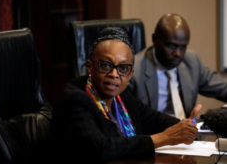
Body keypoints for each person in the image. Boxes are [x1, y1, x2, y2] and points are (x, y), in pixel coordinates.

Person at [48, 27, 202, 164]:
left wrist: (185, 127)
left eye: (123, 68)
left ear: (130, 74)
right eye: (106, 65)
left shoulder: (122, 96)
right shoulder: (75, 99)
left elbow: (155, 119)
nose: (114, 74)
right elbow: (100, 150)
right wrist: (165, 137)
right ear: (90, 66)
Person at [129, 13, 227, 119]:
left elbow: (223, 89)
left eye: (183, 47)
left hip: (186, 133)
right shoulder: (134, 70)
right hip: (153, 134)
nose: (178, 53)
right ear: (155, 40)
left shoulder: (192, 61)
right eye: (171, 45)